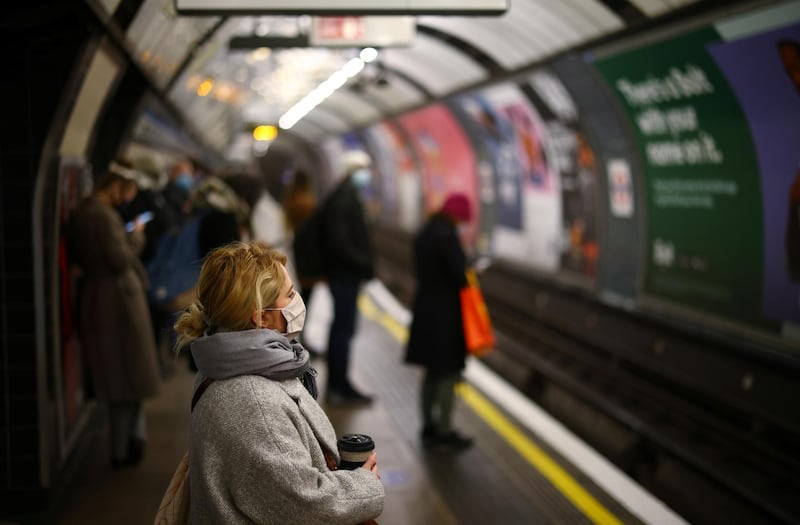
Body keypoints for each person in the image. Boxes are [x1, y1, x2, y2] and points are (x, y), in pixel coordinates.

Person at [172, 241, 384, 524]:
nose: (298, 300)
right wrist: (365, 486)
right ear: (261, 317)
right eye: (290, 294)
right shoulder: (253, 404)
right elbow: (305, 504)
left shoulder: (227, 364)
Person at [68, 160, 161, 467]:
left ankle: (127, 443)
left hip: (101, 297)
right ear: (116, 187)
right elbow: (120, 259)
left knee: (121, 375)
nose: (129, 199)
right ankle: (123, 450)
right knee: (127, 375)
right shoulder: (103, 216)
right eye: (127, 192)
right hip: (119, 302)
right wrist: (136, 236)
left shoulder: (83, 213)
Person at [405, 193, 475, 450]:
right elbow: (459, 274)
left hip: (425, 311)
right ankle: (444, 430)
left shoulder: (427, 232)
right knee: (448, 371)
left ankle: (428, 426)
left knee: (431, 372)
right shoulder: (447, 237)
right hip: (445, 315)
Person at [322, 150, 376, 405]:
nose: (366, 175)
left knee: (343, 329)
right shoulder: (343, 200)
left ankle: (340, 383)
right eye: (362, 170)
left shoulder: (346, 196)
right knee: (342, 330)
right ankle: (338, 387)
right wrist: (365, 263)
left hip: (345, 274)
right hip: (344, 275)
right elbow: (339, 242)